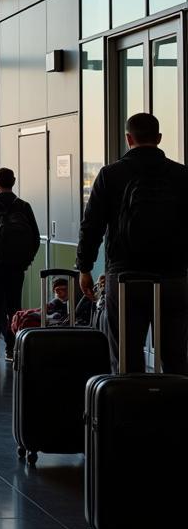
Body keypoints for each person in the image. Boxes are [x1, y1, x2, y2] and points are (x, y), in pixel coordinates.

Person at [76, 112, 188, 375]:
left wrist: (84, 267)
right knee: (176, 357)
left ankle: (131, 413)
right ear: (159, 138)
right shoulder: (182, 175)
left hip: (125, 278)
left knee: (126, 357)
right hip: (173, 277)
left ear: (128, 139)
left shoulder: (110, 175)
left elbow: (91, 225)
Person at [0, 168, 39, 362]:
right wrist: (25, 261)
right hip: (16, 267)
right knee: (14, 306)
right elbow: (35, 238)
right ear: (14, 182)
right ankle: (12, 348)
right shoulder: (24, 206)